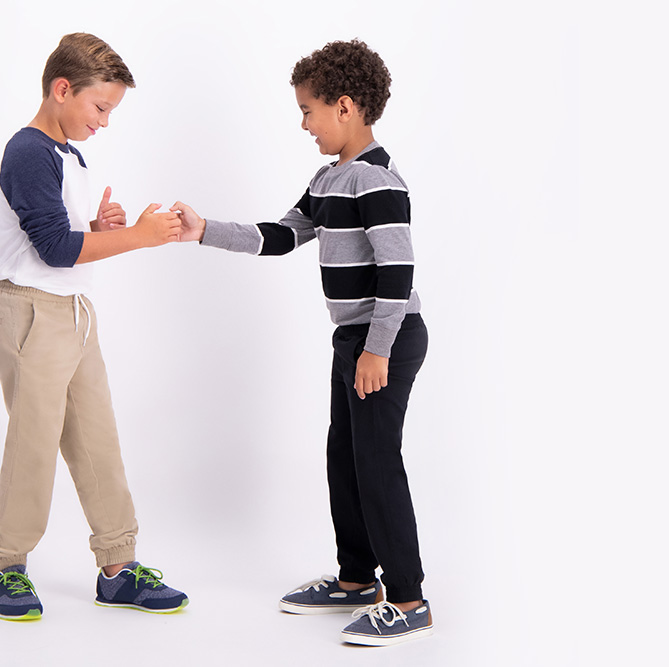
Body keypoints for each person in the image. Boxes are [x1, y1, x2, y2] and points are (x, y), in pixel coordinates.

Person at [173, 39, 431, 646]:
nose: (304, 124)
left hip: (385, 338)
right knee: (345, 457)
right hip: (354, 339)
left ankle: (409, 598)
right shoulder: (329, 177)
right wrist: (204, 230)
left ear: (345, 106)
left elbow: (398, 271)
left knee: (377, 463)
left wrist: (377, 349)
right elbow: (282, 235)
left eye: (308, 110)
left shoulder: (375, 179)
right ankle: (356, 580)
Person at [0, 32, 188, 621]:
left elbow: (61, 238)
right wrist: (137, 238)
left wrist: (98, 229)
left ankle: (118, 567)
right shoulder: (29, 150)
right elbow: (52, 250)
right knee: (34, 443)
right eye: (100, 107)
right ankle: (5, 567)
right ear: (61, 89)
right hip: (31, 311)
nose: (104, 122)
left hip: (72, 311)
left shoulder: (67, 153)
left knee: (98, 440)